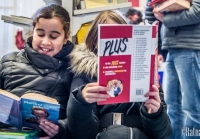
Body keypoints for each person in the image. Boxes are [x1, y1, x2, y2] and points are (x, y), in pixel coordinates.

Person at [67, 10, 172, 139]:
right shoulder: (84, 74)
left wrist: (155, 114)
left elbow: (164, 135)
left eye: (121, 37)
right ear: (95, 42)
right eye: (107, 38)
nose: (115, 44)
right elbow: (80, 133)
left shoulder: (147, 73)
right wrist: (81, 103)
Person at [0, 3, 74, 139]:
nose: (45, 42)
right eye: (40, 34)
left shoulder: (73, 69)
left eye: (53, 36)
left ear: (66, 37)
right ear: (32, 31)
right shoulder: (8, 61)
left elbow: (79, 118)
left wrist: (61, 129)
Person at [152, 0, 200, 139]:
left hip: (188, 49)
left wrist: (166, 19)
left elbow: (197, 11)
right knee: (172, 104)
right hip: (174, 49)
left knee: (191, 106)